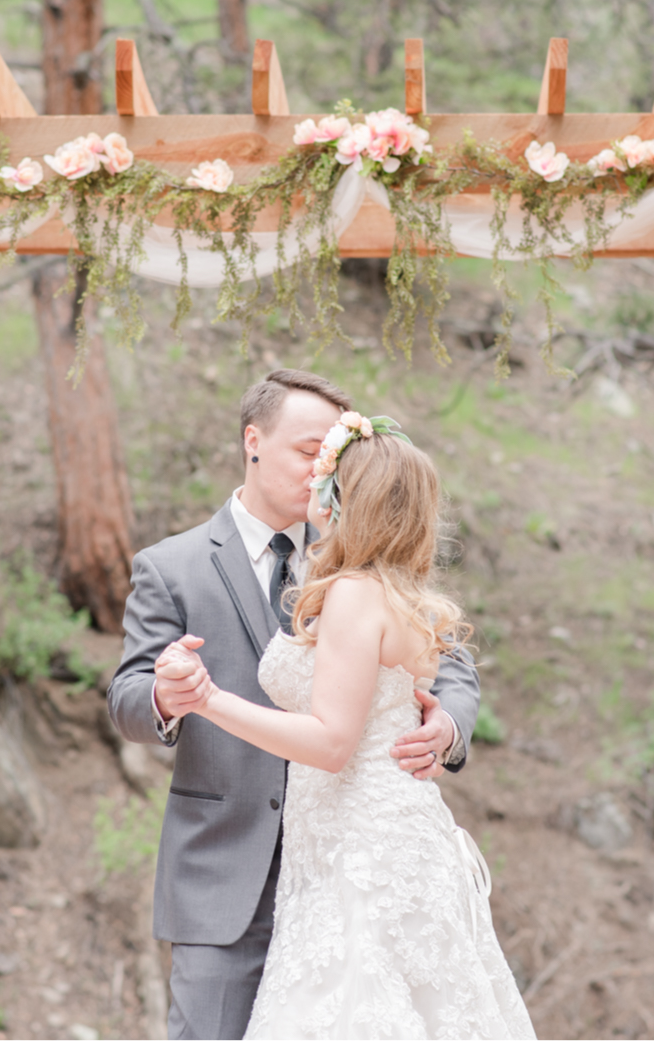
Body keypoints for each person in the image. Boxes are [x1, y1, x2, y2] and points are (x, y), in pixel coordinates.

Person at [108, 369, 482, 1041]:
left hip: (356, 866)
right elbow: (128, 696)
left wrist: (447, 725)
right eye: (310, 452)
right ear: (254, 440)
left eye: (333, 459)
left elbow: (444, 653)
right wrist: (168, 693)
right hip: (225, 877)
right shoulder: (172, 566)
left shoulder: (362, 555)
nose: (320, 473)